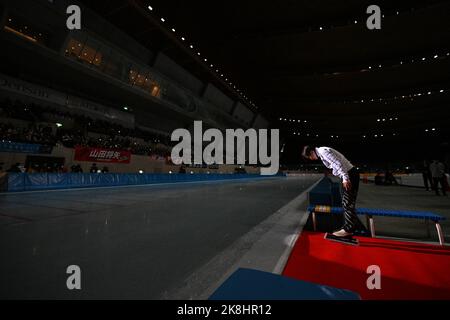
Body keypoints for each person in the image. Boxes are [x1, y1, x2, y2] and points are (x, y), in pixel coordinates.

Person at [302, 146, 359, 238]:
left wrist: (345, 178)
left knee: (347, 202)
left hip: (349, 175)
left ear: (312, 152)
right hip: (349, 174)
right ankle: (348, 227)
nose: (311, 159)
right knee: (346, 202)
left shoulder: (323, 152)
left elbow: (338, 163)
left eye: (310, 157)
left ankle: (349, 229)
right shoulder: (322, 152)